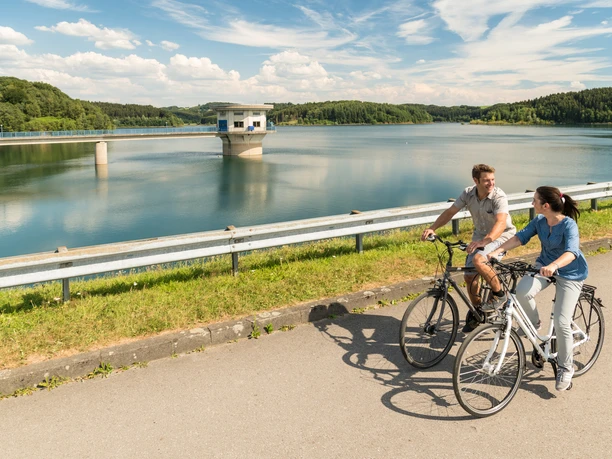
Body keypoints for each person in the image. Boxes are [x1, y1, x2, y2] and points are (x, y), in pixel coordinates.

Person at [487, 186, 588, 392]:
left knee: (561, 322)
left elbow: (572, 252)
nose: (532, 203)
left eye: (534, 200)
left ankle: (565, 367)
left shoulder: (569, 225)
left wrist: (554, 266)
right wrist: (498, 250)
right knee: (521, 292)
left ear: (546, 205)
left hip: (569, 273)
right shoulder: (540, 221)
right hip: (543, 267)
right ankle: (534, 325)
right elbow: (519, 237)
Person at [421, 164, 516, 331]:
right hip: (480, 237)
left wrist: (485, 241)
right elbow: (450, 212)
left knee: (479, 260)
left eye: (493, 179)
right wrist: (433, 228)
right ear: (476, 180)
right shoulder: (468, 193)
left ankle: (499, 295)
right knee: (469, 276)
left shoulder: (498, 196)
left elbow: (501, 223)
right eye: (486, 180)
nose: (491, 183)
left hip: (501, 236)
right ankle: (479, 312)